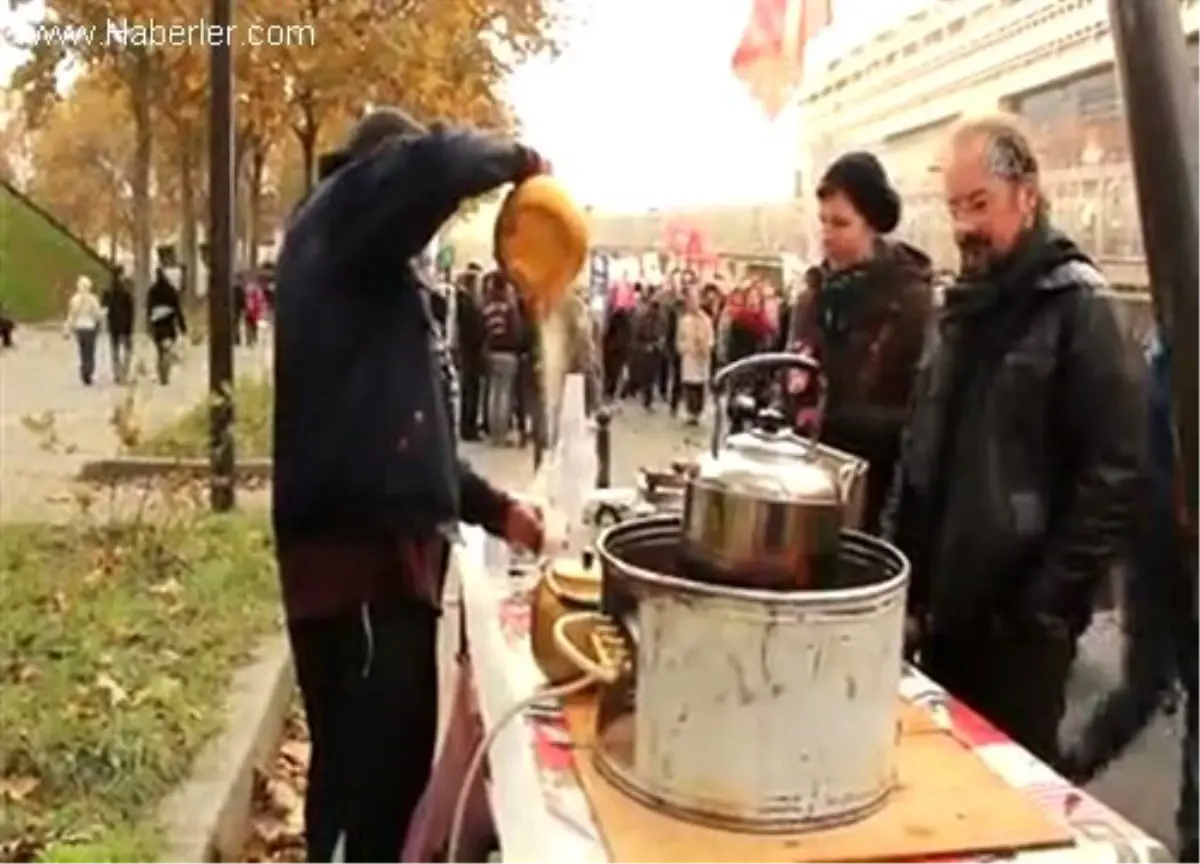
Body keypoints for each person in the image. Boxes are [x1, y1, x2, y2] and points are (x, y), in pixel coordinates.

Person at [271, 106, 547, 864]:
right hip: (360, 571)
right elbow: (431, 167)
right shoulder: (344, 217)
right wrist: (519, 158)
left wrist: (498, 511)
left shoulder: (365, 270)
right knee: (373, 789)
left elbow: (406, 445)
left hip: (385, 563)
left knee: (374, 786)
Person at [882, 115, 1147, 765]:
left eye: (980, 204)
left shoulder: (1081, 307)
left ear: (1026, 195)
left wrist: (1044, 605)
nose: (965, 225)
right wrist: (901, 579)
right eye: (954, 207)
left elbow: (1114, 472)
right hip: (944, 615)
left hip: (1019, 637)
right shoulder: (959, 309)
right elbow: (921, 450)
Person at [788, 151, 934, 531]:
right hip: (801, 489)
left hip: (873, 499)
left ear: (872, 226)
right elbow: (791, 380)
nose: (827, 234)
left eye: (841, 223)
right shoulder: (811, 299)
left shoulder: (910, 303)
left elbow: (920, 415)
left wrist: (838, 418)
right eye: (823, 221)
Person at [481, 272, 522, 445]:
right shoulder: (509, 307)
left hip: (492, 351)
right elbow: (516, 330)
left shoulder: (487, 306)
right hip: (508, 352)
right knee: (505, 393)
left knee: (493, 393)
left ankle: (493, 433)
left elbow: (483, 329)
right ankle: (502, 432)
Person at [454, 266, 487, 441]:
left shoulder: (463, 302)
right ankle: (469, 428)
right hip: (471, 354)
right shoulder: (469, 304)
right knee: (471, 393)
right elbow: (474, 331)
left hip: (467, 354)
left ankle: (467, 426)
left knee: (469, 392)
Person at [676, 286, 714, 425]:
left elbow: (710, 338)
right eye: (690, 300)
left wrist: (705, 347)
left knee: (699, 386)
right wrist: (684, 348)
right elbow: (680, 339)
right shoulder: (684, 320)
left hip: (701, 358)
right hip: (688, 357)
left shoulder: (706, 320)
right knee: (689, 385)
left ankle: (698, 411)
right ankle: (690, 411)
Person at [146, 267, 186, 384]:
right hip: (169, 324)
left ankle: (161, 372)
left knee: (159, 351)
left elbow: (149, 309)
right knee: (168, 349)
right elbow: (178, 309)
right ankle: (166, 372)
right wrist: (182, 325)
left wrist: (148, 324)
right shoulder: (171, 290)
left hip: (157, 325)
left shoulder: (152, 291)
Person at [65, 275, 103, 385]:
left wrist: (68, 328)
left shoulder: (74, 299)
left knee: (82, 351)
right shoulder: (93, 299)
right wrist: (100, 322)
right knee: (90, 351)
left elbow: (71, 316)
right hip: (90, 327)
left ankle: (84, 370)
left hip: (79, 328)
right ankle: (88, 370)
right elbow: (97, 314)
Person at [101, 265, 135, 383]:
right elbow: (131, 309)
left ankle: (117, 372)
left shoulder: (107, 291)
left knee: (115, 349)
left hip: (113, 324)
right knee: (128, 349)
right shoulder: (126, 291)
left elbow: (104, 308)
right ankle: (124, 372)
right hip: (125, 325)